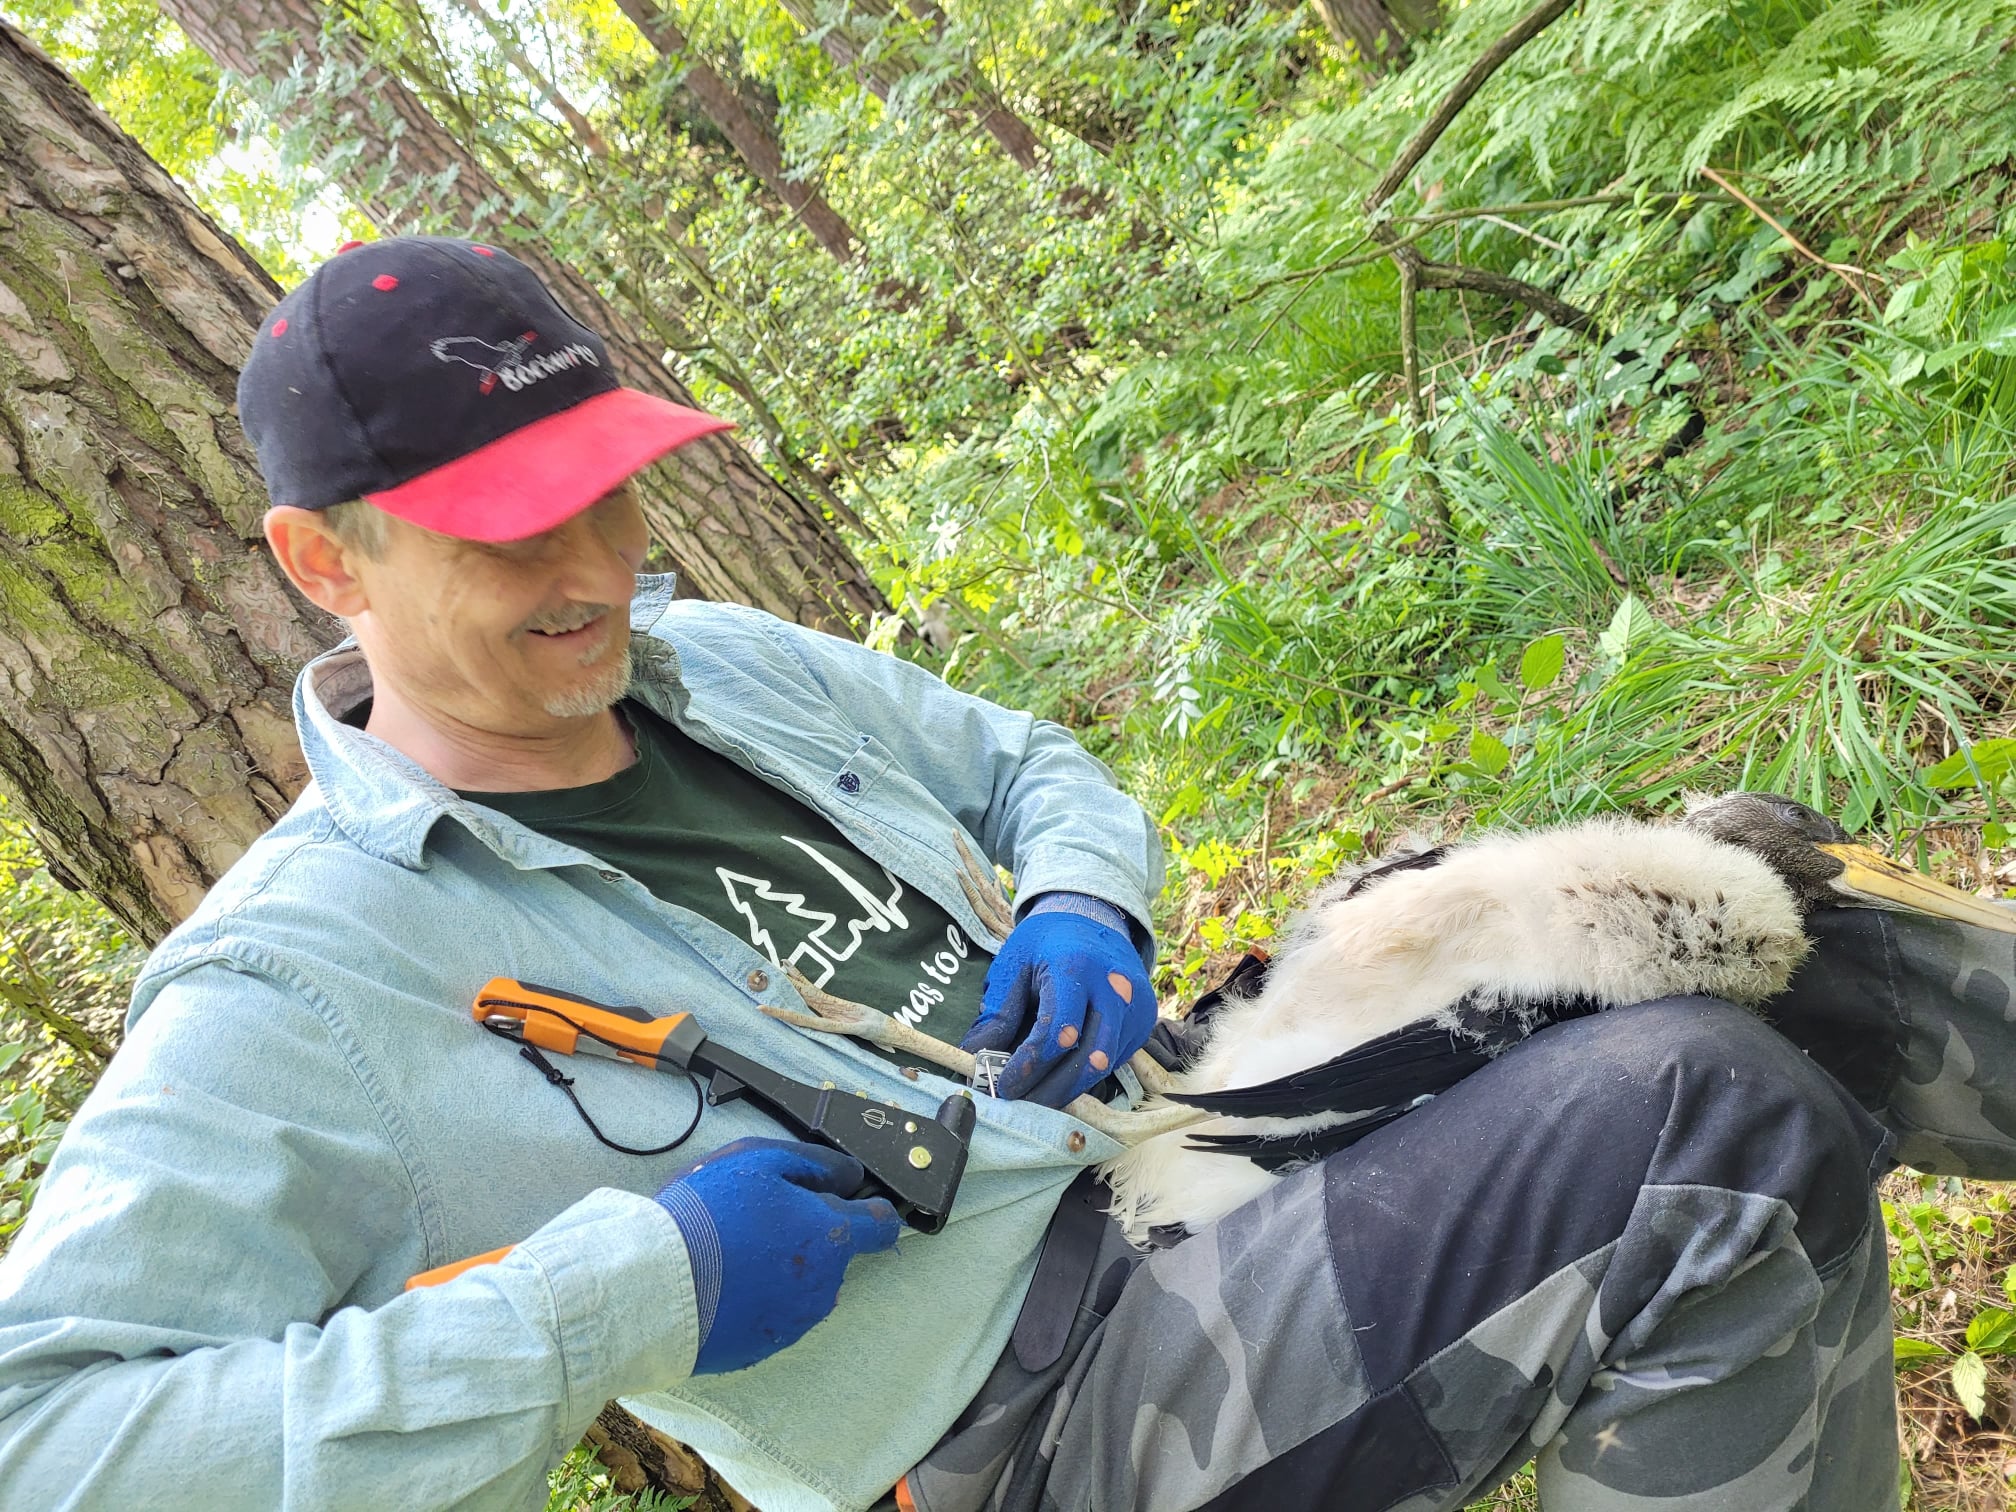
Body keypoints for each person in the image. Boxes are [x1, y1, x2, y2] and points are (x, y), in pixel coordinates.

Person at [0, 235, 2008, 1512]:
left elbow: (1022, 760)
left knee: (1713, 915)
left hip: (1168, 1147)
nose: (597, 568)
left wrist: (1081, 899)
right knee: (1698, 1131)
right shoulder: (296, 984)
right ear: (321, 560)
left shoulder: (711, 666)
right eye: (512, 531)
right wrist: (627, 1296)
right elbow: (51, 1439)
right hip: (1029, 1423)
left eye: (606, 488)